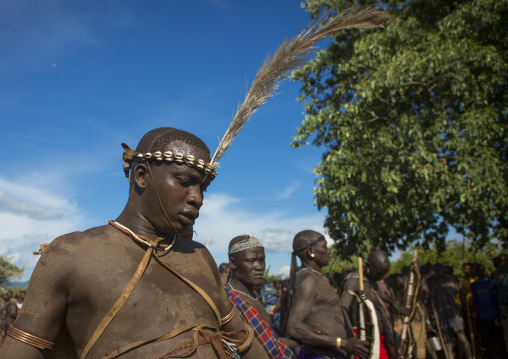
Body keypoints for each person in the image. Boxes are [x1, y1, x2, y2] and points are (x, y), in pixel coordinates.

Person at [0, 128, 267, 359]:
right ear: (141, 175)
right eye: (185, 182)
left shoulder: (199, 256)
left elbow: (241, 338)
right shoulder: (72, 254)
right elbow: (25, 347)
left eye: (203, 188)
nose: (197, 198)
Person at [286, 230, 369, 359]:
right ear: (310, 251)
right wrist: (341, 343)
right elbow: (294, 326)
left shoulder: (316, 277)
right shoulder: (309, 279)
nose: (329, 251)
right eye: (324, 246)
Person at [225, 234, 296, 359]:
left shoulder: (252, 297)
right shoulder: (228, 301)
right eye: (251, 260)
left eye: (262, 260)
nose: (259, 267)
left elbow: (272, 342)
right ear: (233, 263)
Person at [342, 250, 406, 359]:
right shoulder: (354, 281)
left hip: (379, 336)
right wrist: (350, 337)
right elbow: (342, 307)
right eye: (379, 273)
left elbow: (381, 295)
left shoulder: (371, 279)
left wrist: (395, 305)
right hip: (363, 338)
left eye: (383, 274)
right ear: (369, 266)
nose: (381, 277)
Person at [425, 263, 472, 359]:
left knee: (461, 338)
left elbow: (453, 290)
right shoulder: (431, 282)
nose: (437, 272)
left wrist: (441, 282)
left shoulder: (449, 279)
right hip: (441, 315)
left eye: (439, 269)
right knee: (447, 341)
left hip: (453, 313)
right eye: (435, 270)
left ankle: (469, 356)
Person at [470, 263, 508, 358]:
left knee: (499, 338)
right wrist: (475, 312)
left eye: (481, 269)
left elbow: (497, 298)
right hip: (482, 316)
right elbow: (474, 300)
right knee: (486, 339)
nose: (479, 272)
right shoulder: (474, 285)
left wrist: (499, 313)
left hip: (494, 315)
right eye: (477, 270)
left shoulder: (492, 282)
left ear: (484, 270)